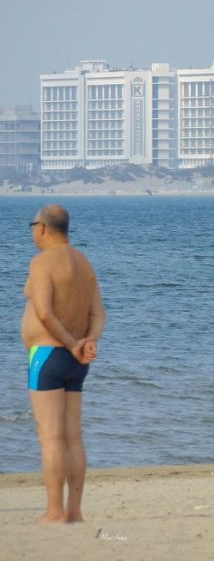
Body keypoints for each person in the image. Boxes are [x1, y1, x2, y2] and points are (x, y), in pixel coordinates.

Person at [21, 205, 105, 524]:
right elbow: (98, 314)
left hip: (47, 355)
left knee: (51, 438)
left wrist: (72, 343)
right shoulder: (84, 263)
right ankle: (75, 511)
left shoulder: (42, 262)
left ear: (42, 228)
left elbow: (44, 313)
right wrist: (88, 342)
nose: (31, 231)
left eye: (33, 225)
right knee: (73, 436)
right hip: (76, 361)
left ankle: (55, 511)